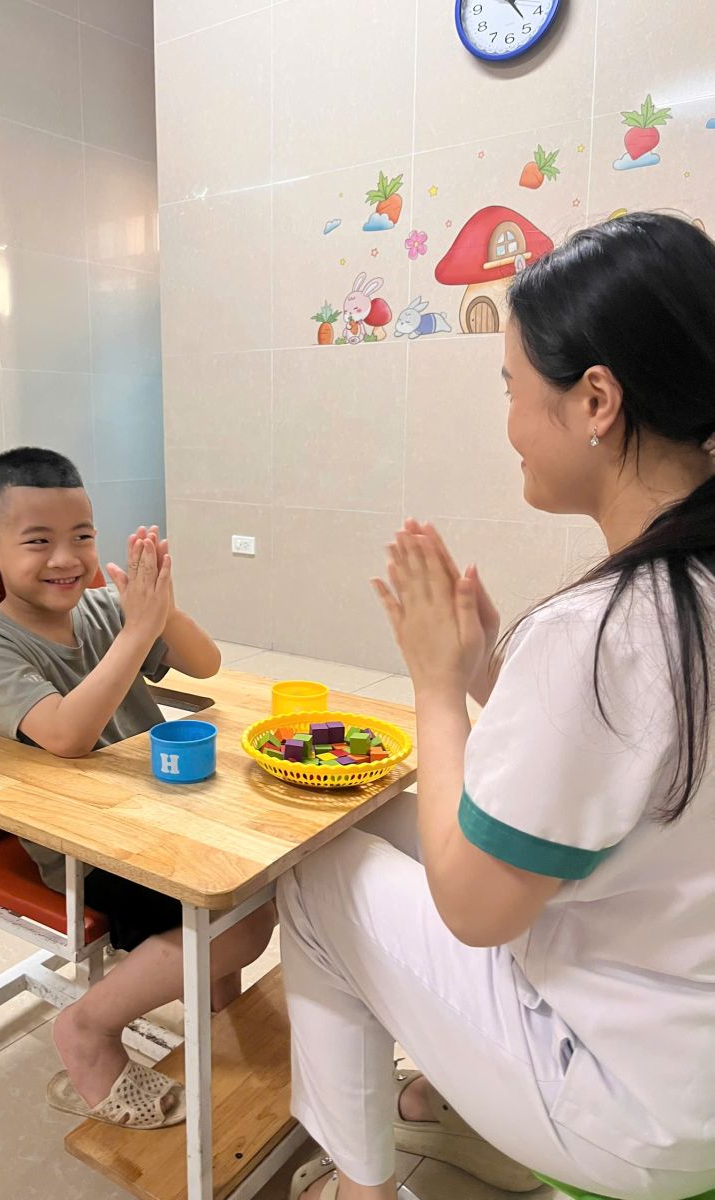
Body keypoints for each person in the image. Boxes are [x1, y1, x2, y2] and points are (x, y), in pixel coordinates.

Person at [279, 213, 715, 1200]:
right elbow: (633, 763)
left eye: (513, 387)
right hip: (686, 1044)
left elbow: (475, 910)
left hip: (631, 1104)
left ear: (595, 399)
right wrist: (486, 673)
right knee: (377, 821)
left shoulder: (604, 629)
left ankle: (361, 1189)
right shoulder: (679, 595)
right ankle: (449, 1098)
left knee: (313, 875)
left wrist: (437, 685)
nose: (510, 423)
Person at [0, 448, 275, 1130]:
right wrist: (137, 631)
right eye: (37, 541)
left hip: (160, 813)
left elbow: (206, 663)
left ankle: (217, 1004)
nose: (65, 558)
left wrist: (161, 611)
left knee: (260, 879)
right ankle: (87, 1029)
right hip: (88, 846)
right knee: (243, 924)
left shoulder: (105, 610)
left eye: (81, 536)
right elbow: (67, 735)